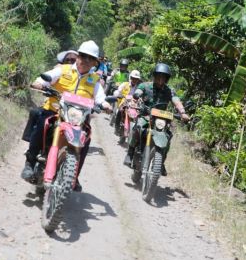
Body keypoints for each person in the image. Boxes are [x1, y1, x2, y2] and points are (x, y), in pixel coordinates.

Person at [21, 41, 112, 191]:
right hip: (55, 110)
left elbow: (100, 97)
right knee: (43, 122)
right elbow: (47, 77)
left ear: (95, 62)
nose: (86, 61)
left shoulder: (94, 80)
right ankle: (29, 162)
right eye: (83, 56)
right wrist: (39, 82)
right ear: (78, 56)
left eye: (90, 58)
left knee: (86, 138)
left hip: (78, 118)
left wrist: (105, 104)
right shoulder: (63, 70)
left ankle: (74, 176)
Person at [124, 63, 190, 176]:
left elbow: (176, 100)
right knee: (138, 126)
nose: (160, 79)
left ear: (166, 79)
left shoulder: (169, 90)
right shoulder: (145, 86)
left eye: (163, 77)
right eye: (158, 76)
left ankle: (161, 161)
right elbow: (138, 93)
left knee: (168, 135)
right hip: (145, 116)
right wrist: (135, 98)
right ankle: (130, 152)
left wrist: (183, 113)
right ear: (154, 76)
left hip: (161, 120)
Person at [22, 49, 78, 142]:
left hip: (74, 112)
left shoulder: (84, 77)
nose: (70, 62)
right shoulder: (59, 70)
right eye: (67, 60)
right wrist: (39, 83)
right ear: (63, 61)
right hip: (54, 107)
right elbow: (45, 78)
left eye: (73, 60)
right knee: (36, 113)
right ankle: (31, 143)